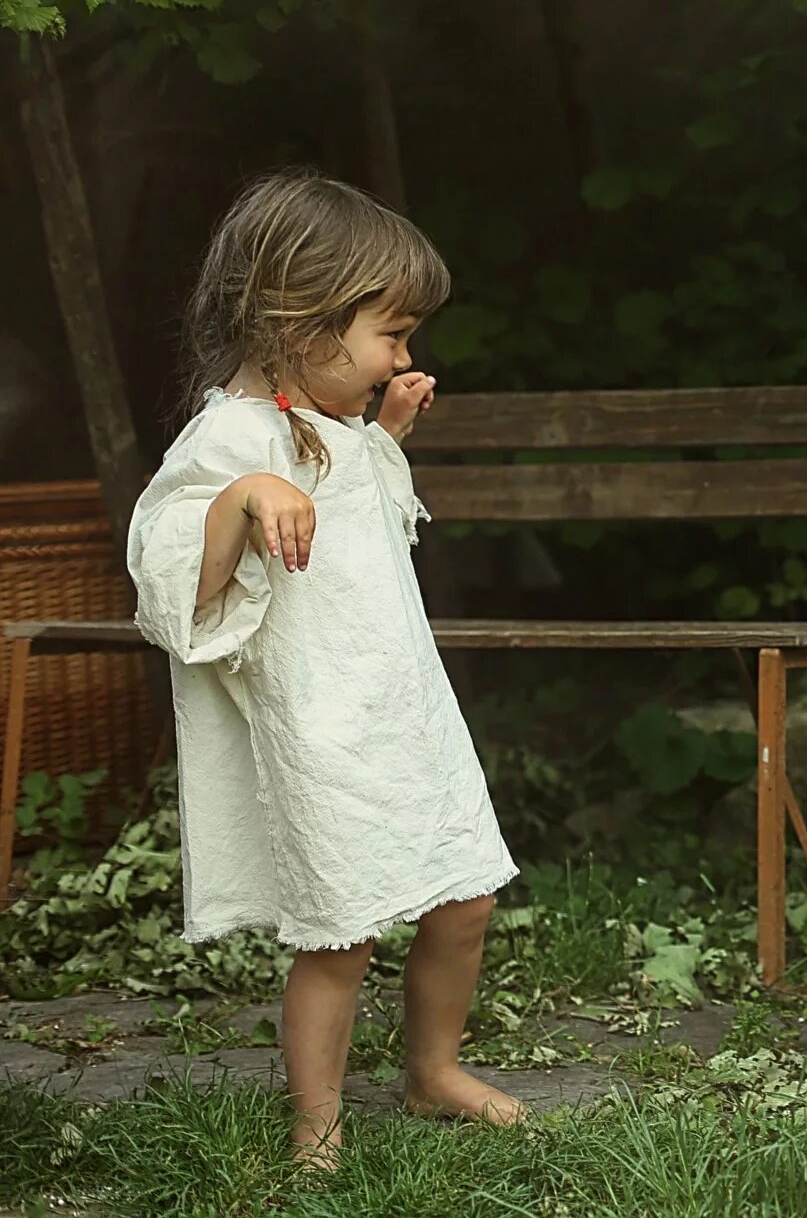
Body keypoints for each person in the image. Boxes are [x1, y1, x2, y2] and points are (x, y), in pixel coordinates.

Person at [128, 171, 524, 1166]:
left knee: (465, 896)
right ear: (300, 320)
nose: (405, 355)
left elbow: (359, 520)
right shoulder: (231, 435)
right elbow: (172, 571)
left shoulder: (335, 426)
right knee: (339, 934)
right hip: (323, 730)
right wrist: (245, 497)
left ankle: (432, 1070)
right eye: (391, 333)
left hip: (405, 709)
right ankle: (317, 1123)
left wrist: (384, 436)